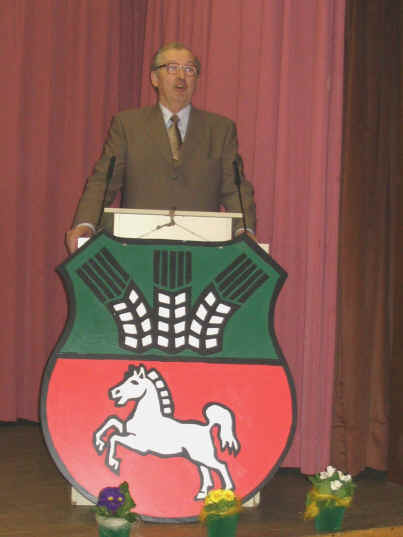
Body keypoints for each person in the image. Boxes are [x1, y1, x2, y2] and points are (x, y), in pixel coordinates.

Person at [66, 42, 256, 254]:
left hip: (202, 250)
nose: (181, 76)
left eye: (189, 69)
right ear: (154, 78)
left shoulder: (220, 129)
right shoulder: (128, 125)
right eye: (172, 68)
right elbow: (104, 181)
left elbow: (235, 188)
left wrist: (244, 228)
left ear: (196, 80)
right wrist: (86, 223)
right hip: (137, 247)